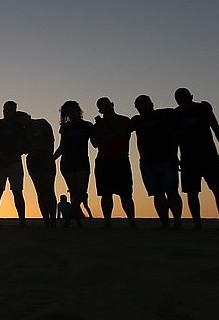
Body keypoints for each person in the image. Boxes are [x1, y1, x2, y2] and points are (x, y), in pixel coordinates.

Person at [173, 88, 219, 230]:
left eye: (184, 98)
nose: (182, 101)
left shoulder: (203, 109)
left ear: (191, 97)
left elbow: (216, 128)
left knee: (217, 189)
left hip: (208, 155)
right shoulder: (176, 114)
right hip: (188, 157)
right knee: (192, 192)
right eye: (179, 99)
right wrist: (175, 157)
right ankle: (197, 224)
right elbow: (173, 138)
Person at [130, 95, 182, 228]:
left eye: (146, 105)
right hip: (147, 162)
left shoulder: (163, 114)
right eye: (140, 107)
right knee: (157, 194)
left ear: (151, 104)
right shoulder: (137, 120)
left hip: (166, 159)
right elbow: (123, 129)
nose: (144, 109)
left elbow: (180, 111)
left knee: (171, 192)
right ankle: (164, 222)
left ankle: (177, 222)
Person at [90, 97, 136, 229]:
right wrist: (107, 131)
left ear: (112, 105)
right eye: (102, 108)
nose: (106, 110)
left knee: (126, 194)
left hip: (120, 159)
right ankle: (107, 222)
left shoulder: (124, 120)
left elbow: (123, 134)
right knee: (105, 194)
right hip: (104, 160)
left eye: (107, 107)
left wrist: (108, 127)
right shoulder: (98, 125)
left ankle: (132, 222)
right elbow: (95, 143)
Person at [53, 100, 94, 228]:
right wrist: (52, 158)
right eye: (69, 112)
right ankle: (78, 221)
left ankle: (68, 220)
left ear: (78, 111)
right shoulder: (65, 127)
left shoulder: (87, 125)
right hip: (67, 162)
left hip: (82, 161)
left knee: (81, 191)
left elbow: (95, 142)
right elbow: (62, 146)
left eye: (73, 111)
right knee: (73, 191)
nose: (72, 114)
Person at [0, 100, 28, 225]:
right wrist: (2, 156)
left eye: (10, 110)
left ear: (14, 111)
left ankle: (22, 221)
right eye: (5, 109)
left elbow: (22, 144)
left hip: (15, 161)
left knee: (17, 192)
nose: (7, 112)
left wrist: (12, 157)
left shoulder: (20, 127)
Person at [18, 111, 57, 226]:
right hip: (33, 159)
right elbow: (23, 149)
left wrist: (50, 158)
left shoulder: (42, 123)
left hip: (45, 156)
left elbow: (50, 140)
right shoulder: (23, 132)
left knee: (49, 189)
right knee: (39, 191)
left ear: (27, 117)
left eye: (22, 119)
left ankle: (53, 219)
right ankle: (46, 220)